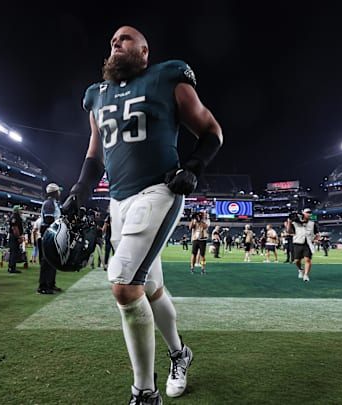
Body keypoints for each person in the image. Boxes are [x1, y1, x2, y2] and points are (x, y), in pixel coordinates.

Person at [63, 26, 222, 403]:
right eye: (112, 41)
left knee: (123, 284)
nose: (116, 42)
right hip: (119, 200)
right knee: (150, 288)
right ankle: (180, 354)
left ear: (144, 51)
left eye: (125, 39)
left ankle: (144, 393)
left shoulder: (167, 76)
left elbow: (211, 130)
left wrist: (194, 167)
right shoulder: (96, 95)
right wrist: (80, 191)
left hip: (159, 189)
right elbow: (95, 153)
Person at [38, 183, 62, 294]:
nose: (60, 193)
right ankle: (43, 286)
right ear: (54, 192)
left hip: (52, 233)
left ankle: (51, 284)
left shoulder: (53, 203)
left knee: (52, 260)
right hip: (48, 233)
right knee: (46, 260)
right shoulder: (49, 203)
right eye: (58, 191)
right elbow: (48, 220)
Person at [286, 208, 320, 282]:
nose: (309, 214)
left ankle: (306, 275)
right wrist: (289, 221)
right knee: (296, 261)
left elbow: (317, 234)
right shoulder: (295, 222)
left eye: (310, 213)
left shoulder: (312, 223)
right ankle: (300, 269)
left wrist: (316, 239)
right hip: (298, 242)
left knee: (307, 259)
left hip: (308, 243)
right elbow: (288, 231)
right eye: (307, 212)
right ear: (303, 213)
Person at [7, 205, 25, 274]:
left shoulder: (16, 217)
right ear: (16, 210)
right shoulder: (15, 217)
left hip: (14, 236)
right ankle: (12, 268)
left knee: (14, 252)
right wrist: (19, 237)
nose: (21, 211)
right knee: (13, 252)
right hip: (14, 236)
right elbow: (15, 228)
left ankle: (12, 267)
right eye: (19, 209)